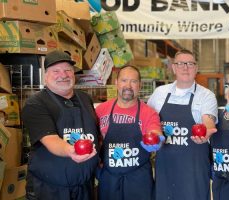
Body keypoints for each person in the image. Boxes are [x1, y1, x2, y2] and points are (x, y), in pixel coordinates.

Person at [21, 50, 99, 200]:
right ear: (45, 76)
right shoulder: (36, 104)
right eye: (56, 71)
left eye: (68, 70)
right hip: (50, 190)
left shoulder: (85, 99)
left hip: (84, 188)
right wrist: (70, 150)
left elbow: (95, 132)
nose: (63, 75)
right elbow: (51, 140)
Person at [147, 49, 218, 200]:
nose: (185, 67)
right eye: (180, 63)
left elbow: (208, 120)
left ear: (196, 68)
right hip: (165, 170)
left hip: (194, 172)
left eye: (190, 64)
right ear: (173, 68)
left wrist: (205, 131)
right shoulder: (159, 94)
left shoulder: (206, 95)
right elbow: (149, 122)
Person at [95, 66, 163, 200]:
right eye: (124, 80)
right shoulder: (101, 110)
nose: (128, 86)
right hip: (109, 179)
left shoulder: (149, 112)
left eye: (133, 81)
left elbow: (154, 130)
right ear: (116, 83)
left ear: (140, 85)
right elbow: (94, 139)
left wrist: (156, 139)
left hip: (138, 180)